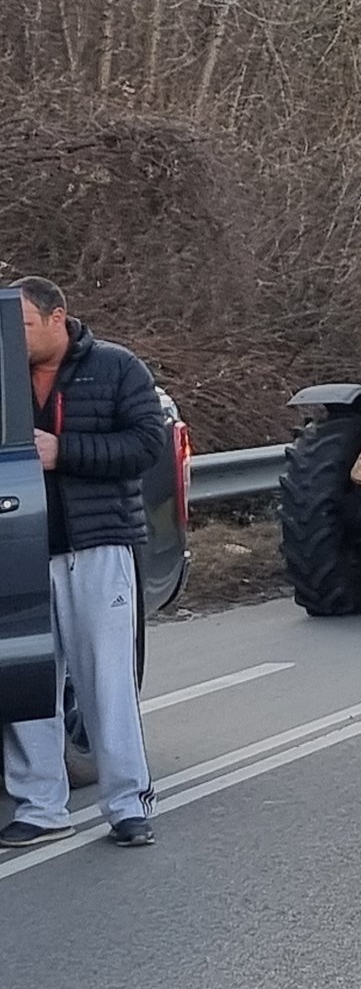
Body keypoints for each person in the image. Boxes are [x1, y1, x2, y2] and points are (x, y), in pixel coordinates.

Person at [0, 276, 165, 849]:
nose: (10, 337)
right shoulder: (3, 376)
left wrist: (61, 451)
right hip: (20, 548)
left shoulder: (118, 369)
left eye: (19, 325)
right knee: (26, 679)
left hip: (98, 546)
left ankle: (127, 804)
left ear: (56, 317)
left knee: (106, 679)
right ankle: (40, 806)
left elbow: (147, 446)